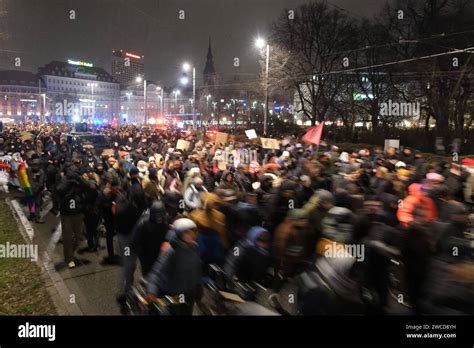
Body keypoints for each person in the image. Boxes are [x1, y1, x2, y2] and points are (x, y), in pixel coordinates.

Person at [146, 218, 202, 315]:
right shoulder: (171, 252)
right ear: (180, 234)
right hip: (173, 295)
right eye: (187, 232)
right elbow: (156, 272)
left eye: (193, 231)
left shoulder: (194, 248)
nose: (192, 235)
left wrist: (198, 286)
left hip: (188, 294)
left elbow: (195, 269)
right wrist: (152, 291)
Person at [56, 171, 86, 269]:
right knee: (67, 237)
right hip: (67, 215)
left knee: (78, 236)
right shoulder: (63, 185)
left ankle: (71, 253)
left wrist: (79, 179)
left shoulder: (78, 183)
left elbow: (86, 187)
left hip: (77, 213)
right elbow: (59, 192)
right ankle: (69, 258)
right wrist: (70, 186)